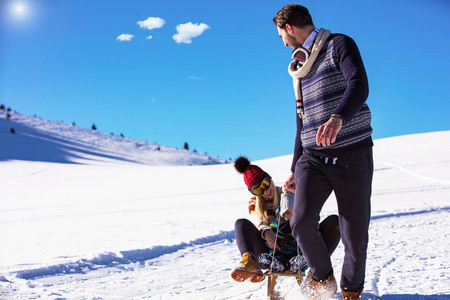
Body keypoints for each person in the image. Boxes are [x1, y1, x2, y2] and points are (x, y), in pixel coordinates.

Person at [273, 4, 374, 300]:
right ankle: (322, 280)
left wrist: (338, 117)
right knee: (301, 222)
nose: (281, 40)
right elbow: (301, 122)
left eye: (280, 34)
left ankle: (350, 292)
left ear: (289, 28)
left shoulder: (338, 44)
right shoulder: (299, 68)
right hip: (313, 159)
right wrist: (294, 167)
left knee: (355, 236)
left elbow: (359, 84)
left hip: (352, 155)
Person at [231, 156, 340, 284]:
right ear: (253, 193)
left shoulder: (287, 193)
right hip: (270, 253)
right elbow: (257, 218)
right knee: (241, 224)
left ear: (269, 178)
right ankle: (250, 263)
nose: (265, 191)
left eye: (265, 184)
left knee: (335, 222)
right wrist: (266, 232)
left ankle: (318, 270)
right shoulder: (254, 203)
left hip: (300, 248)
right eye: (258, 190)